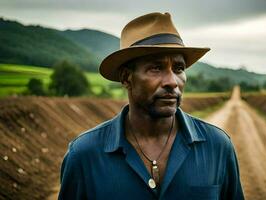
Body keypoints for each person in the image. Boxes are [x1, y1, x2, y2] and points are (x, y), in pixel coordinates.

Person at [58, 12, 244, 200]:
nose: (172, 81)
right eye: (156, 68)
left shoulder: (218, 146)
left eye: (179, 68)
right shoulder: (84, 155)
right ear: (126, 77)